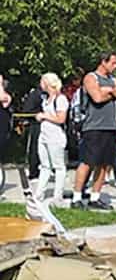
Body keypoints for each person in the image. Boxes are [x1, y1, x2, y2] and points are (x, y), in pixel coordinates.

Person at [71, 51, 116, 210]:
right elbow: (96, 97)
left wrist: (108, 91)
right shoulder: (91, 77)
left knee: (104, 164)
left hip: (110, 126)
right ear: (104, 61)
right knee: (87, 162)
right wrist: (111, 92)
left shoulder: (112, 79)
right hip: (93, 126)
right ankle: (77, 197)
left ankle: (95, 197)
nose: (115, 66)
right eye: (113, 63)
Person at [35, 73, 69, 205]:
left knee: (58, 166)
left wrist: (44, 116)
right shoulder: (46, 99)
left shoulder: (60, 99)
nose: (40, 84)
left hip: (55, 136)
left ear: (48, 83)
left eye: (42, 81)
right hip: (44, 135)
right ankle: (38, 194)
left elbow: (61, 119)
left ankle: (57, 196)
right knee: (44, 166)